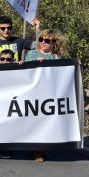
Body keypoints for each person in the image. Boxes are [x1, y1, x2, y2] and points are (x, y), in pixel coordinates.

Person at [24, 29, 69, 163]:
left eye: (47, 40)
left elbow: (60, 75)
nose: (43, 42)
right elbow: (24, 72)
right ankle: (31, 146)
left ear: (54, 43)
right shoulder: (31, 54)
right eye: (41, 40)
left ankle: (39, 150)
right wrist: (35, 64)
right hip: (33, 93)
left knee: (45, 122)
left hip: (48, 95)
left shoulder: (56, 57)